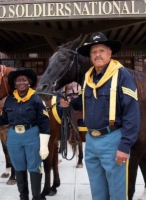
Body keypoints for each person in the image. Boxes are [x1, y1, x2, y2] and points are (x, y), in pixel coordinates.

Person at [60, 32, 141, 200]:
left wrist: (125, 145)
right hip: (91, 141)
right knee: (97, 191)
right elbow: (84, 103)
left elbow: (132, 113)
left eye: (102, 50)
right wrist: (69, 102)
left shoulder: (122, 75)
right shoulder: (88, 78)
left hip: (113, 139)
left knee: (117, 193)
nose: (98, 54)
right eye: (94, 51)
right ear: (90, 56)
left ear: (109, 53)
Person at [0, 68, 50, 200]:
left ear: (29, 82)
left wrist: (44, 145)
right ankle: (23, 196)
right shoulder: (10, 99)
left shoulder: (36, 99)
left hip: (31, 135)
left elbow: (44, 123)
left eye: (24, 80)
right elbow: (4, 119)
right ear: (15, 83)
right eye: (18, 80)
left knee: (34, 167)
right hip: (14, 137)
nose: (21, 82)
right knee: (18, 166)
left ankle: (36, 197)